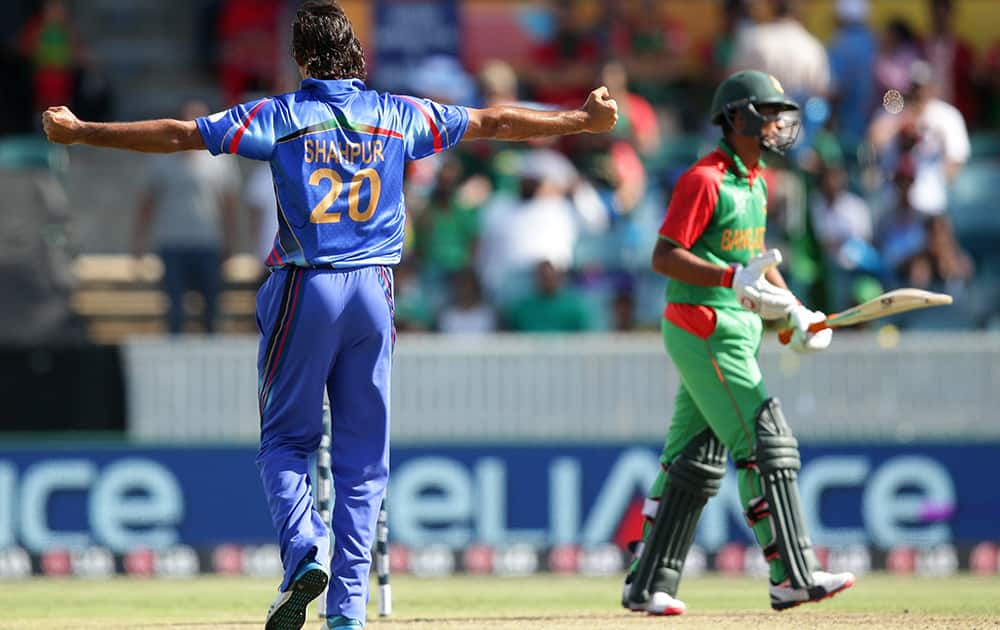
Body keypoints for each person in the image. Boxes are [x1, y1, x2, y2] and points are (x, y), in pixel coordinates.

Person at [42, 2, 618, 628]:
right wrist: (580, 121)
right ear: (357, 55)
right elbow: (492, 121)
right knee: (364, 460)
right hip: (375, 291)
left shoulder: (282, 115)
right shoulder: (398, 114)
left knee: (286, 443)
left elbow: (182, 136)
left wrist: (82, 131)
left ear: (300, 60)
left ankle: (304, 549)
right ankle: (347, 611)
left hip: (306, 288)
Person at [620, 70, 855, 617]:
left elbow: (758, 261)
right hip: (703, 324)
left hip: (738, 328)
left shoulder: (756, 183)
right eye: (768, 112)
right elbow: (664, 255)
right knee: (766, 437)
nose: (778, 123)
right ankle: (791, 575)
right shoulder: (703, 180)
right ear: (738, 117)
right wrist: (728, 280)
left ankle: (647, 584)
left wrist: (794, 310)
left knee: (693, 462)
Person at [132, 100, 239, 335]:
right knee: (175, 311)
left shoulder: (221, 160)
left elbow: (228, 206)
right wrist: (139, 241)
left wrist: (231, 242)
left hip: (208, 243)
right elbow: (148, 203)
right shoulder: (161, 158)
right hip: (173, 242)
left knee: (211, 310)